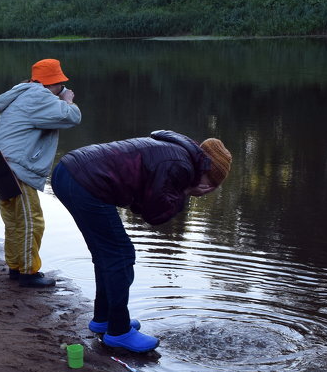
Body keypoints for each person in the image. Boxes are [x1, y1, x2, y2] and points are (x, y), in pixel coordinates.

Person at [50, 131, 232, 352]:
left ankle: (104, 319)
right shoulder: (181, 167)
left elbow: (144, 202)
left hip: (69, 172)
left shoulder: (178, 153)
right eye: (210, 185)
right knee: (121, 255)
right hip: (86, 183)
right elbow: (155, 214)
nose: (207, 191)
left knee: (106, 254)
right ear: (208, 174)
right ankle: (118, 332)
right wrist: (185, 192)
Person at [0, 58, 81, 288]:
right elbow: (72, 117)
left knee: (14, 219)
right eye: (62, 84)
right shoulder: (39, 96)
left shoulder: (23, 93)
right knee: (31, 220)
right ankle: (28, 273)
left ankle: (17, 267)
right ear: (53, 83)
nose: (64, 88)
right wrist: (68, 101)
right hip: (14, 165)